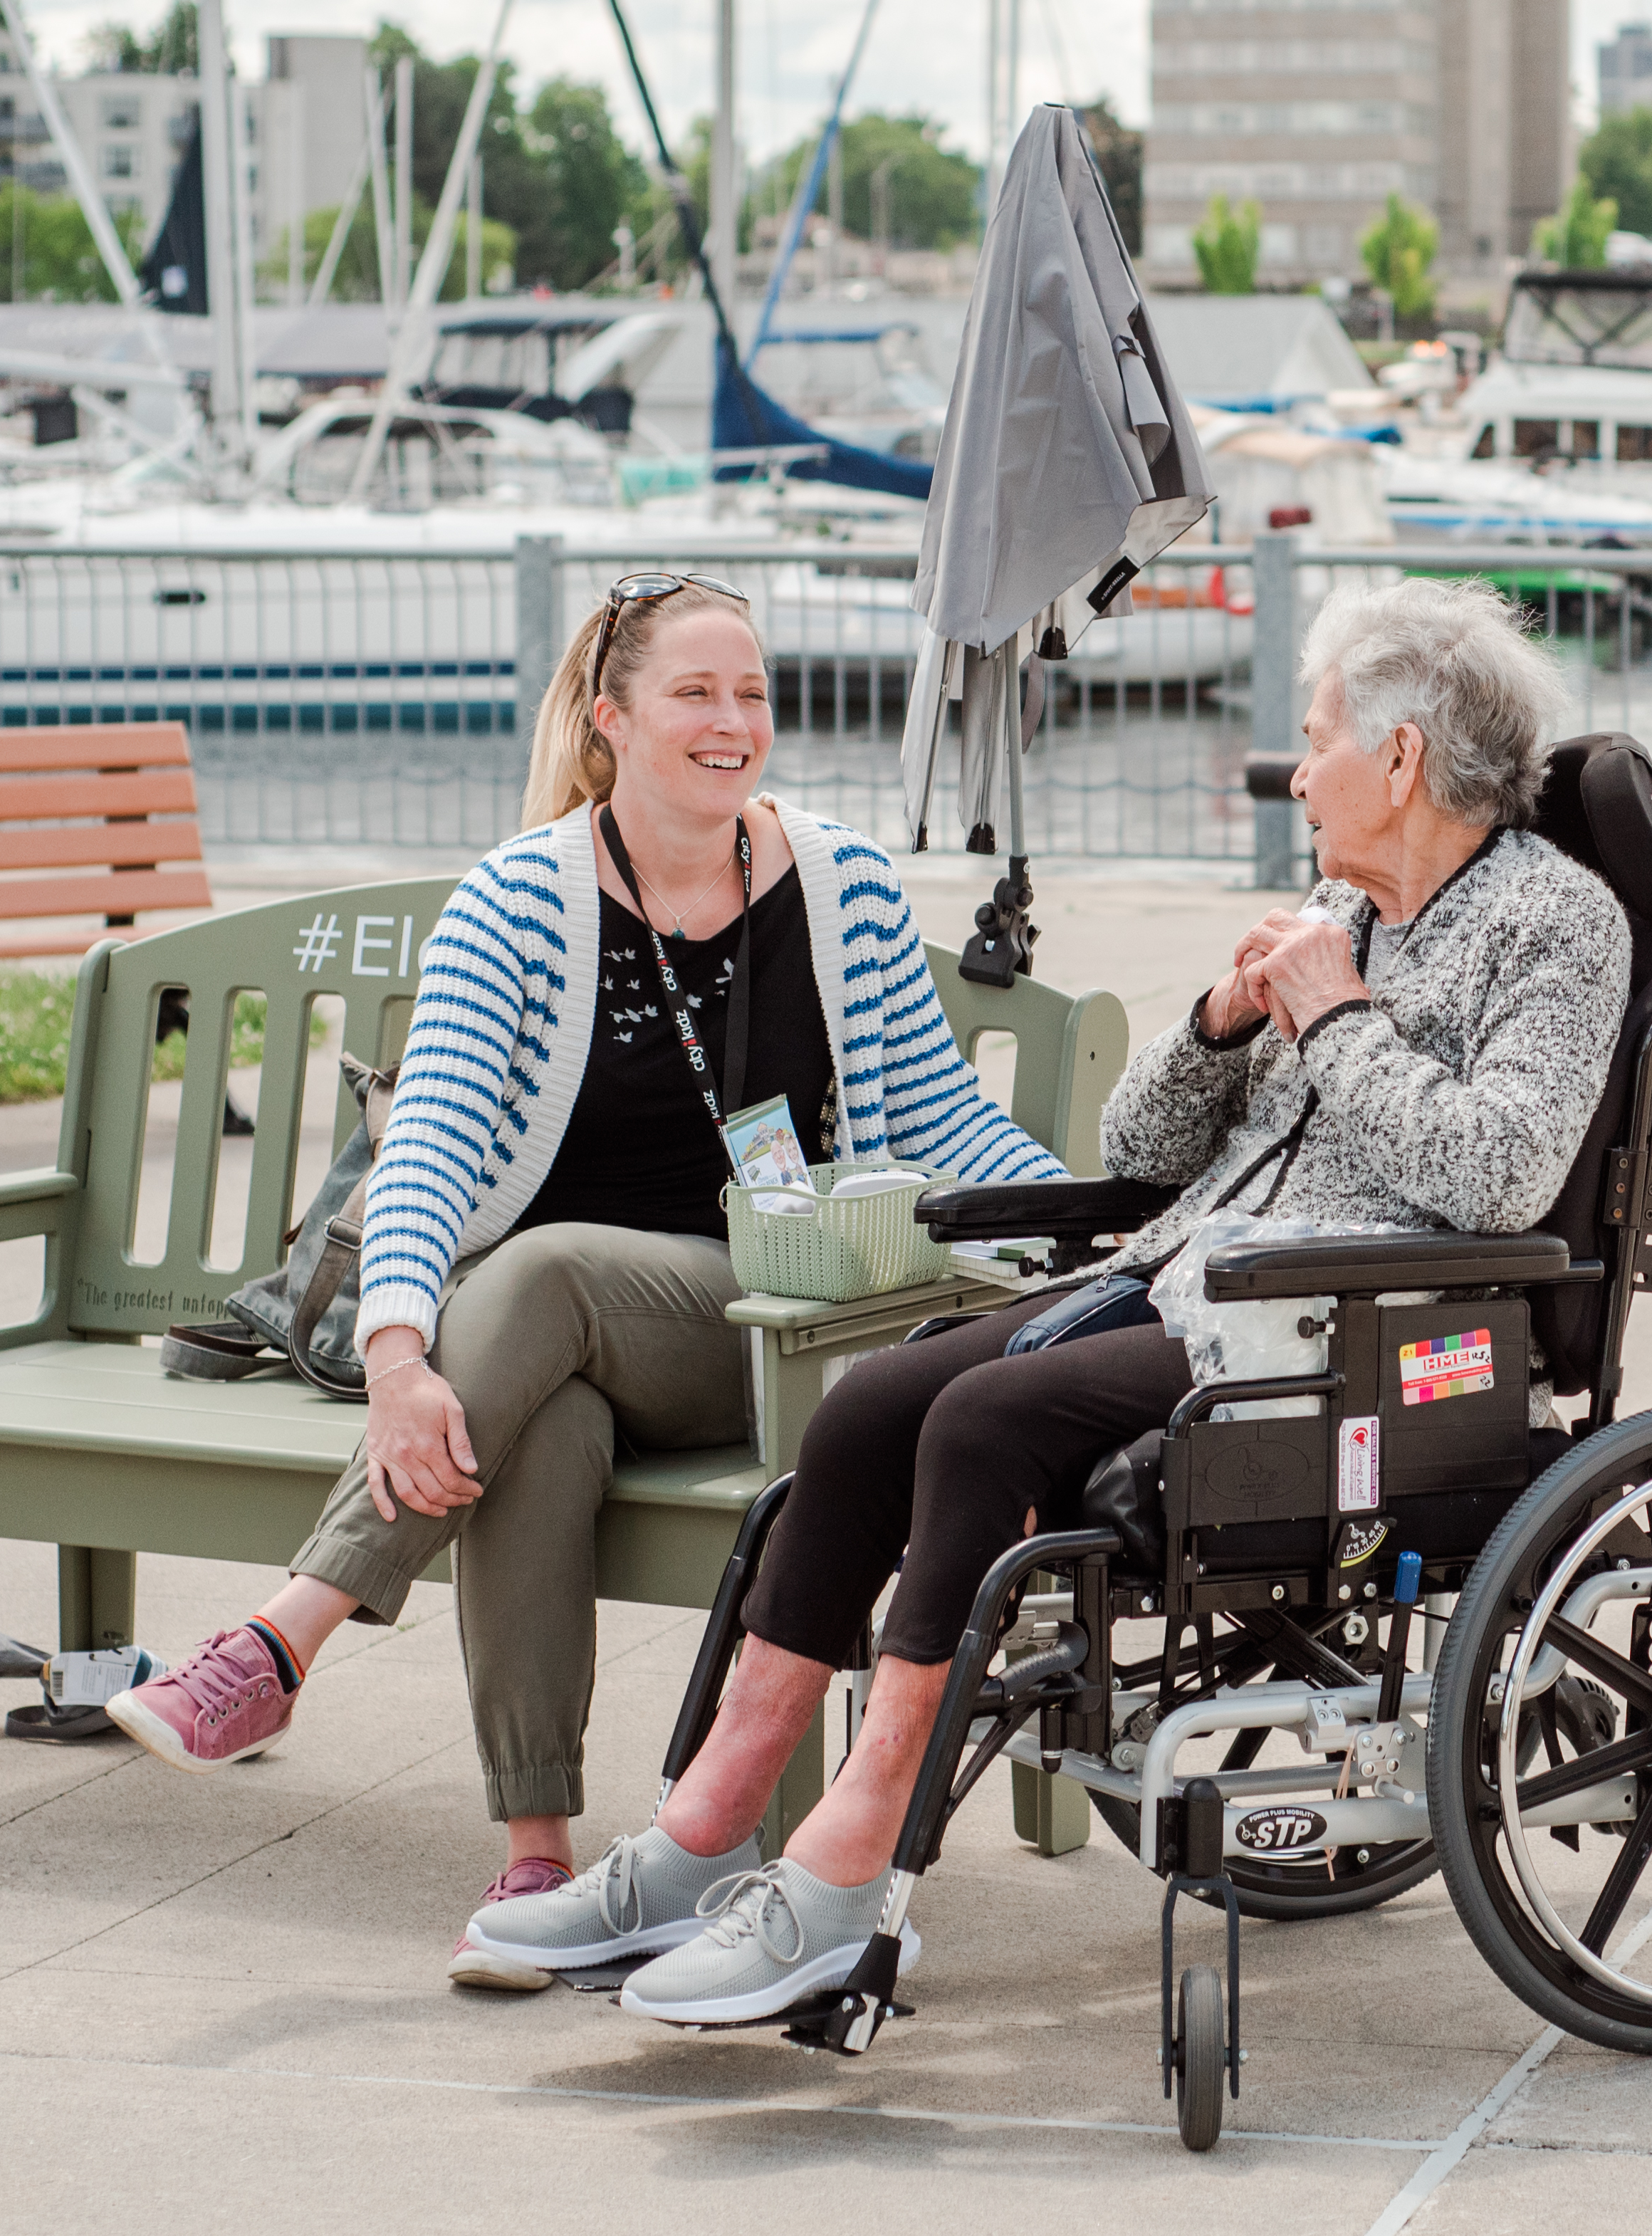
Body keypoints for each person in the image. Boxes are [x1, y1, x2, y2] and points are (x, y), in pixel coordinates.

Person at [460, 573, 1633, 2027]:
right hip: (1186, 1283)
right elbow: (1136, 1158)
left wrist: (1335, 1017)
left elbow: (1504, 1174)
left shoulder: (1557, 926)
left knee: (984, 1423)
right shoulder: (1350, 904)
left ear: (1400, 761)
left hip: (1357, 1337)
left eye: (1317, 734)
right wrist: (1222, 1021)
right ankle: (700, 1837)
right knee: (873, 1406)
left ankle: (849, 1857)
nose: (1294, 767)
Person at [108, 571, 1065, 1987]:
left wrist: (1091, 1229)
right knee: (531, 1419)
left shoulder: (842, 884)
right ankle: (544, 1857)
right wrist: (394, 1358)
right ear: (612, 718)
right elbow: (426, 1139)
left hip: (783, 1339)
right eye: (696, 692)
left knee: (542, 1274)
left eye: (751, 691)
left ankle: (283, 1638)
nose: (734, 720)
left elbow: (942, 1117)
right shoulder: (521, 900)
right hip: (558, 1352)